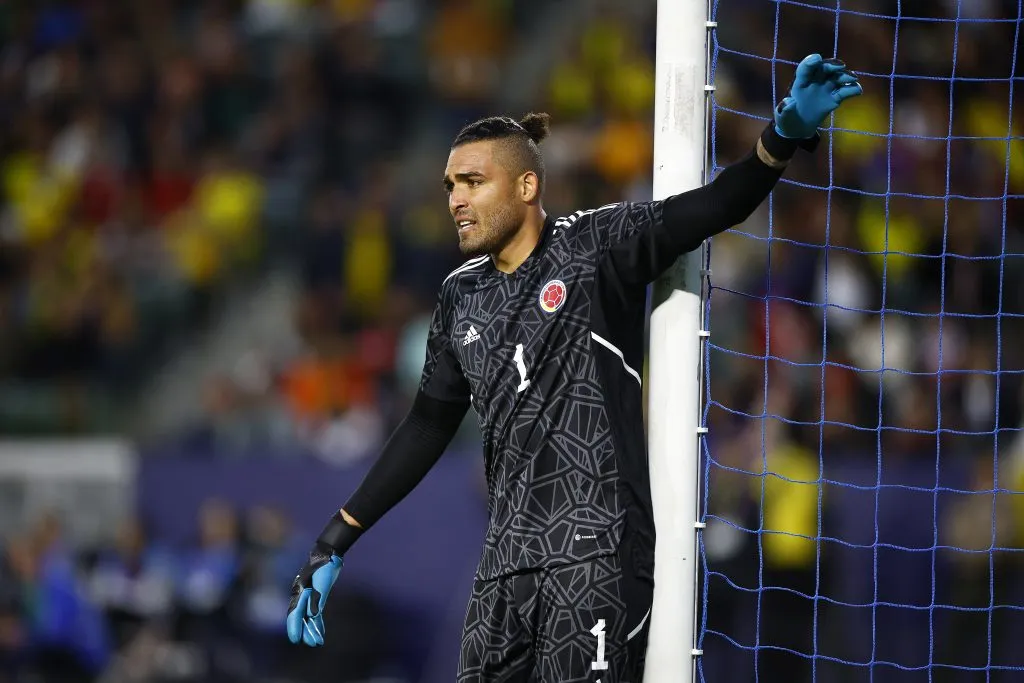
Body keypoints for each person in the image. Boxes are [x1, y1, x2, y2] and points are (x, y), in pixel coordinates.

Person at [286, 54, 862, 682]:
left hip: (597, 555)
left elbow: (716, 205)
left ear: (526, 186)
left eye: (472, 182)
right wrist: (337, 536)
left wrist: (784, 134)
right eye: (449, 185)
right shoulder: (459, 297)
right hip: (505, 565)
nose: (454, 200)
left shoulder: (593, 247)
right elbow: (426, 426)